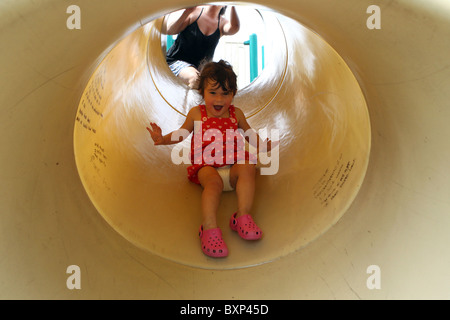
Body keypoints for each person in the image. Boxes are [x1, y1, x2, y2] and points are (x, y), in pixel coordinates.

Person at [147, 60, 277, 258]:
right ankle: (209, 228)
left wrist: (263, 146)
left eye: (226, 93)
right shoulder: (197, 114)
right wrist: (162, 139)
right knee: (213, 183)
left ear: (233, 94)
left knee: (248, 168)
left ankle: (242, 216)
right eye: (213, 93)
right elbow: (182, 134)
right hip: (207, 166)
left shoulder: (237, 114)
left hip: (233, 165)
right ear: (202, 93)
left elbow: (249, 134)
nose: (219, 99)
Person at [163, 5, 240, 89]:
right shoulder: (194, 12)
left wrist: (233, 4)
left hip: (199, 70)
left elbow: (234, 28)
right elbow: (170, 30)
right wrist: (187, 12)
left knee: (216, 83)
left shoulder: (222, 23)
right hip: (175, 61)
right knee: (195, 79)